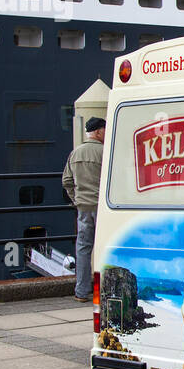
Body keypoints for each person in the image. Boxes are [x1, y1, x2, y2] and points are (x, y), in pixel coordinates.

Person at [63, 117, 105, 302]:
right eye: (104, 129)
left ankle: (81, 292)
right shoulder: (105, 152)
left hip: (83, 208)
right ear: (97, 132)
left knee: (83, 248)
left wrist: (77, 199)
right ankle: (105, 292)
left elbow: (66, 181)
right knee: (106, 246)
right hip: (102, 208)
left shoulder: (75, 153)